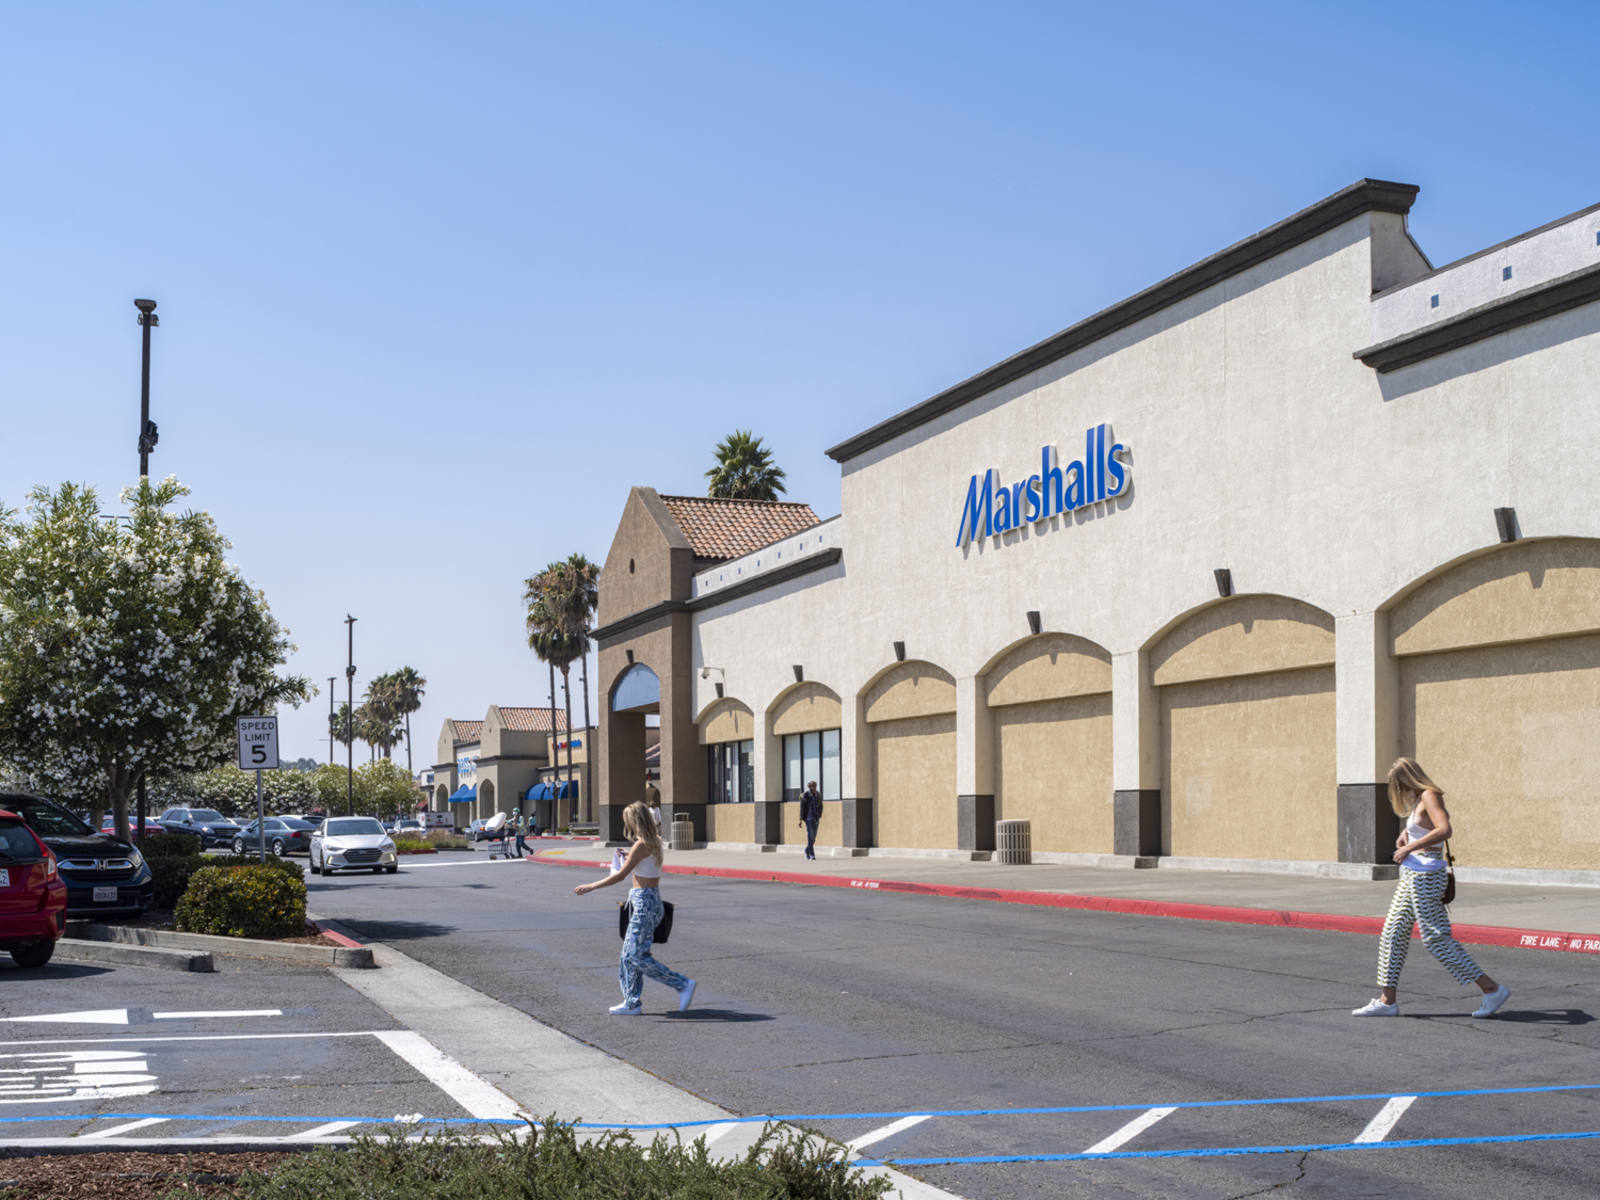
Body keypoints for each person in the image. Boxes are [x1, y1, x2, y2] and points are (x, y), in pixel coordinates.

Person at [1352, 757, 1510, 1019]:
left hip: (1425, 878)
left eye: (1397, 785)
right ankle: (1386, 1001)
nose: (1398, 791)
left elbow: (1444, 829)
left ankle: (1491, 989)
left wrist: (1409, 847)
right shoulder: (1417, 799)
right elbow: (1424, 830)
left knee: (1435, 939)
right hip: (1411, 875)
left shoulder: (1430, 795)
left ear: (1406, 779)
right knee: (1392, 933)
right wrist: (1407, 836)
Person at [574, 799, 696, 1015]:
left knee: (635, 956)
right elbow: (642, 866)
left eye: (629, 821)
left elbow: (620, 875)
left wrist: (590, 886)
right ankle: (631, 1002)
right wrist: (627, 857)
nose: (628, 826)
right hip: (651, 899)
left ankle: (681, 984)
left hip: (644, 902)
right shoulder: (654, 841)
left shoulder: (641, 845)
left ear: (636, 821)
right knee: (627, 955)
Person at [798, 781, 822, 861]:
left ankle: (806, 850)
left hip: (816, 818)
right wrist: (800, 819)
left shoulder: (818, 794)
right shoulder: (805, 795)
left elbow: (821, 805)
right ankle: (812, 855)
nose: (815, 788)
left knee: (813, 838)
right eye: (813, 786)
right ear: (810, 787)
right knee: (810, 836)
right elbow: (802, 808)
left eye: (815, 786)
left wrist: (819, 814)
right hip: (808, 819)